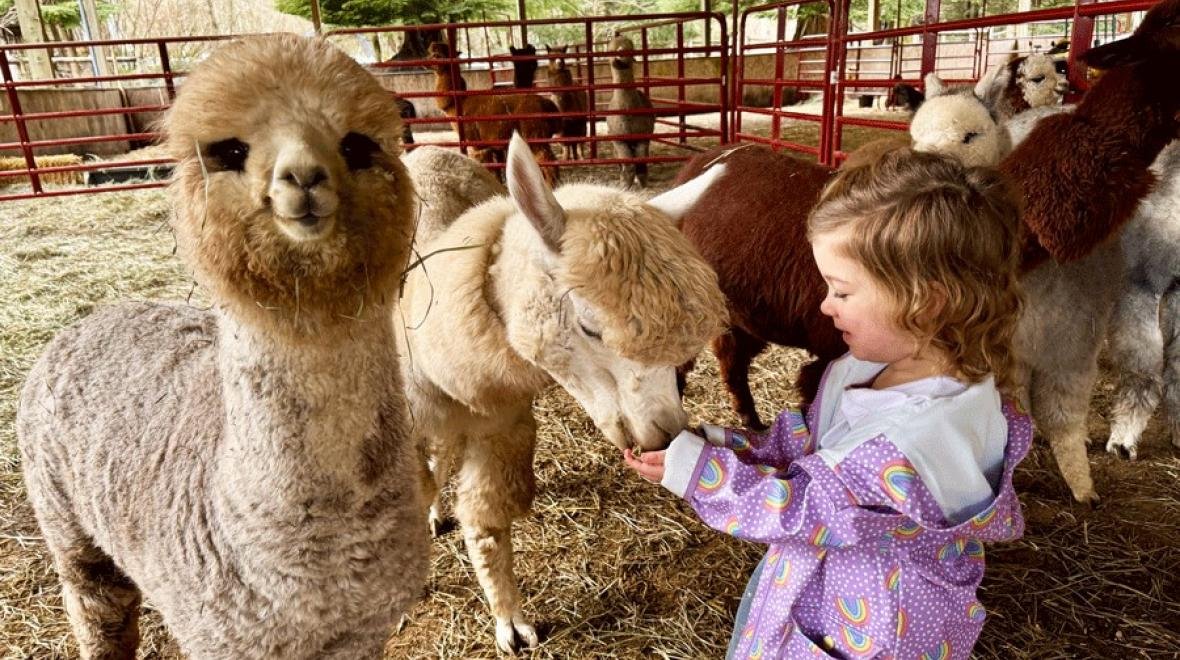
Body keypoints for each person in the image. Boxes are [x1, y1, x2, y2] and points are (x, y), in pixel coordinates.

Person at [624, 147, 1031, 659]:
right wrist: (722, 444)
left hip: (872, 628)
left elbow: (799, 508)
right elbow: (810, 444)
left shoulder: (912, 443)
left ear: (925, 302)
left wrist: (700, 472)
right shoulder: (865, 367)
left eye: (841, 291)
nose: (823, 305)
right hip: (827, 586)